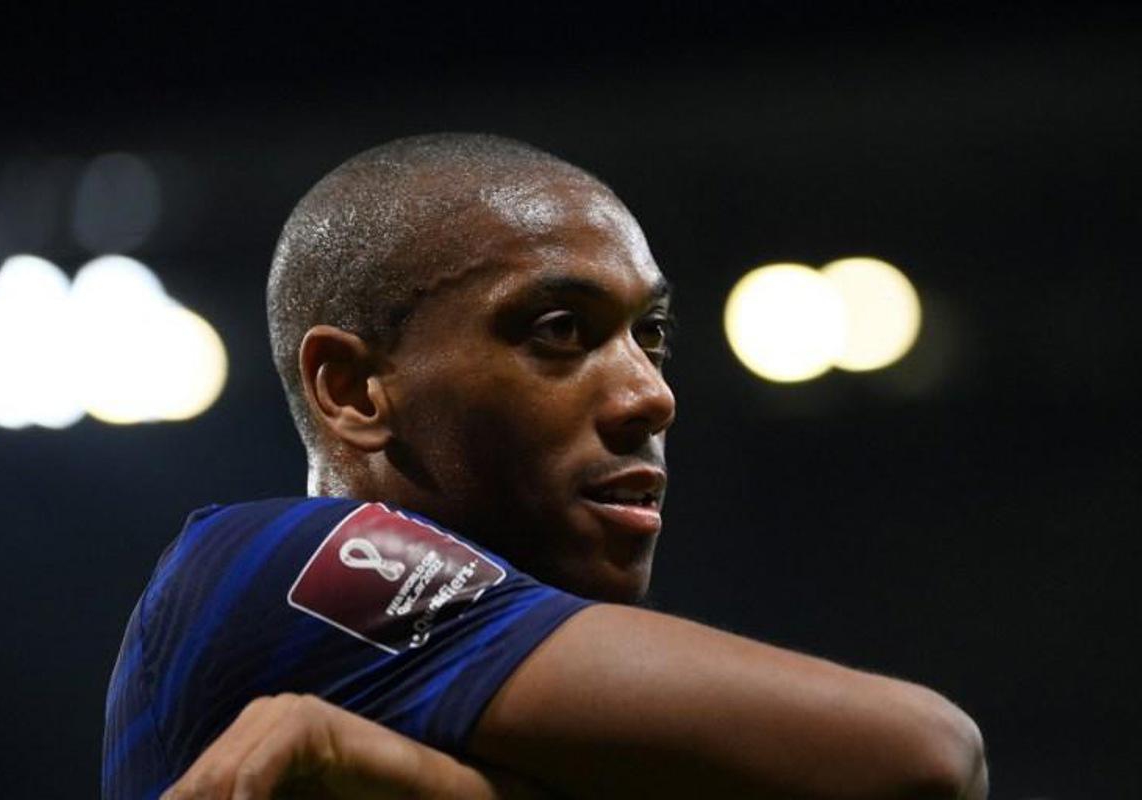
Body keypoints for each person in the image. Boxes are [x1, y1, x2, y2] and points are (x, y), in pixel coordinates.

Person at [105, 133, 988, 799]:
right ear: (355, 389)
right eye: (559, 330)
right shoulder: (282, 568)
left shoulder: (440, 715)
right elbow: (925, 754)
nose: (652, 397)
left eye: (653, 336)